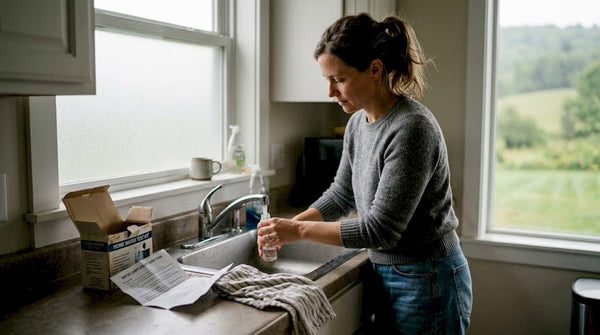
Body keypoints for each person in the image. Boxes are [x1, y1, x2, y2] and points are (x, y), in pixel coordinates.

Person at [257, 13, 472, 334]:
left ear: (374, 69)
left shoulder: (412, 127)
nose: (330, 91)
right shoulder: (358, 122)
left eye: (339, 79)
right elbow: (342, 193)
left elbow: (381, 230)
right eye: (326, 79)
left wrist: (297, 232)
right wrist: (288, 226)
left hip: (428, 277)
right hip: (387, 272)